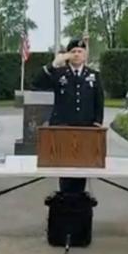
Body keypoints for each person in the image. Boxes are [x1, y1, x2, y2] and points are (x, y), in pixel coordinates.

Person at [33, 38, 104, 192]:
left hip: (85, 129)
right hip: (62, 128)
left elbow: (99, 101)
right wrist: (54, 63)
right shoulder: (59, 73)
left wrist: (98, 123)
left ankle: (79, 205)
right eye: (73, 52)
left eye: (80, 51)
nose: (77, 54)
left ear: (85, 55)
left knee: (82, 170)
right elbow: (37, 82)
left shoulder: (93, 75)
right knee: (64, 169)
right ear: (67, 55)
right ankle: (65, 204)